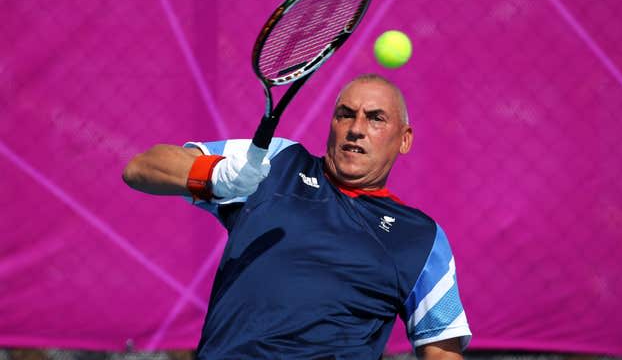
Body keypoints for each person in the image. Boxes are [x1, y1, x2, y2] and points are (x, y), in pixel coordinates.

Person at [123, 74, 471, 360]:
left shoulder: (421, 237)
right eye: (345, 114)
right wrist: (216, 175)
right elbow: (140, 168)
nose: (356, 128)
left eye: (376, 118)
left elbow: (442, 349)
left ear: (404, 140)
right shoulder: (278, 162)